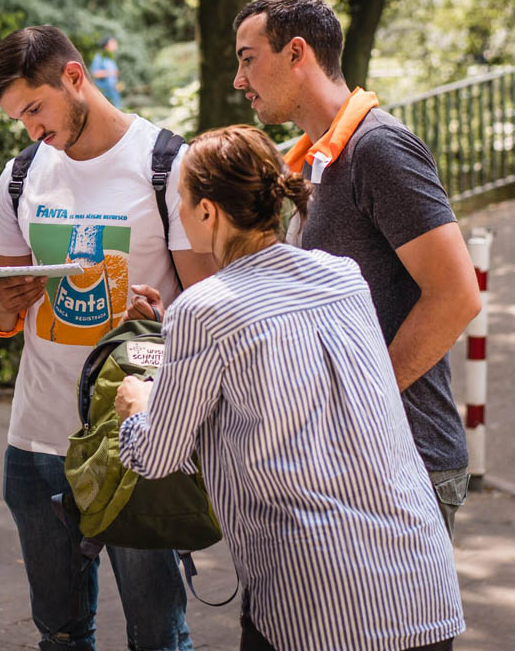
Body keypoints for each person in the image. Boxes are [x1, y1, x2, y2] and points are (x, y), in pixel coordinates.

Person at [115, 124, 465, 651]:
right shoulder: (343, 276)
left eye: (181, 200)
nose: (178, 213)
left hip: (316, 600)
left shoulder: (202, 310)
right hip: (421, 583)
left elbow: (156, 455)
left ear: (207, 211)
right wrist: (179, 339)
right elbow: (284, 368)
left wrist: (138, 405)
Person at [0, 24, 216, 651]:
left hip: (139, 440)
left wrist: (159, 317)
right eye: (18, 118)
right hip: (37, 439)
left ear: (74, 77)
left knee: (158, 636)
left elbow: (213, 310)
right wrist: (1, 302)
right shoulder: (22, 174)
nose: (31, 128)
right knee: (59, 634)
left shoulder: (168, 164)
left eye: (35, 108)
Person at [232, 0, 481, 536]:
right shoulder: (314, 159)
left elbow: (457, 296)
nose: (238, 80)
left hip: (403, 461)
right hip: (347, 459)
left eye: (248, 59)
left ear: (296, 53)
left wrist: (361, 401)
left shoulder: (378, 148)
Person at [90, 36, 122, 107]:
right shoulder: (99, 57)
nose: (115, 44)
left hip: (114, 94)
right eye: (112, 42)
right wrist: (111, 73)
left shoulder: (111, 58)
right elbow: (95, 74)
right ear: (106, 45)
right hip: (104, 95)